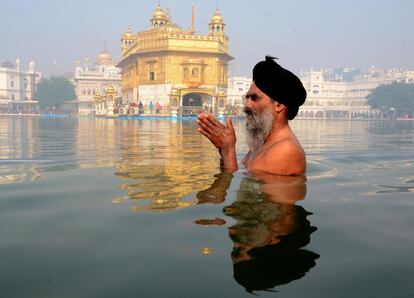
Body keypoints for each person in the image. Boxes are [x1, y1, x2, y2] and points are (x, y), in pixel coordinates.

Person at [197, 56, 307, 176]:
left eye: (254, 98)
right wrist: (224, 149)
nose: (247, 104)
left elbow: (237, 182)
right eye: (247, 97)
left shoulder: (286, 150)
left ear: (279, 105)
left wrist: (228, 150)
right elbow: (241, 174)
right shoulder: (261, 144)